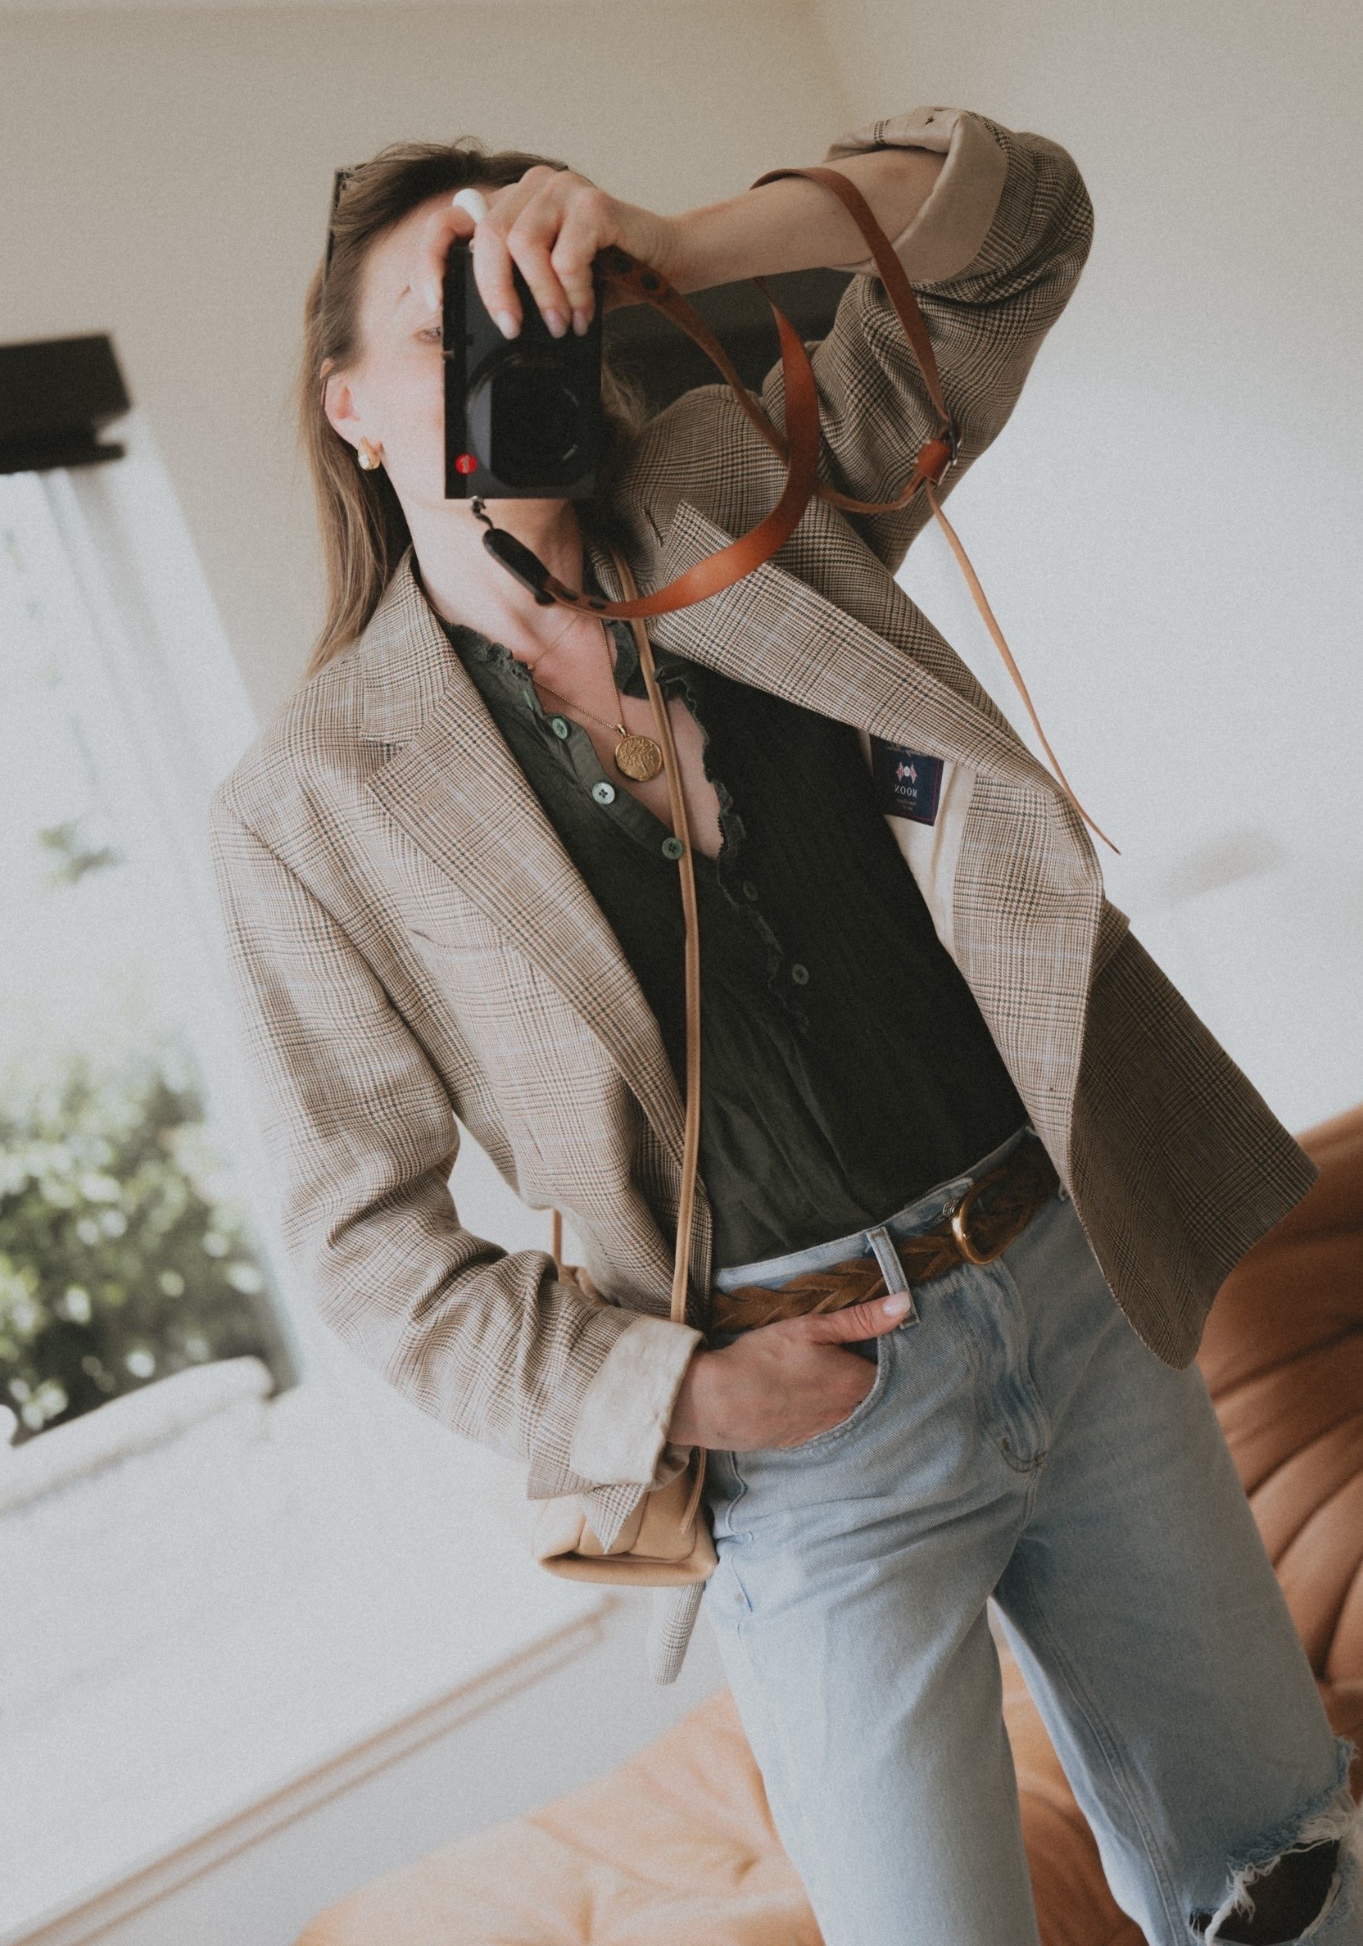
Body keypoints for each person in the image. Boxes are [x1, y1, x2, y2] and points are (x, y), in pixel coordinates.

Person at [208, 103, 1361, 1946]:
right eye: (449, 324)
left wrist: (689, 237)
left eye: (538, 299)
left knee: (1282, 1869)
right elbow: (365, 1241)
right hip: (803, 1437)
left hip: (1069, 1284)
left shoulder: (741, 494)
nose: (509, 347)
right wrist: (669, 1390)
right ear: (350, 403)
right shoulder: (314, 801)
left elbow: (1022, 235)